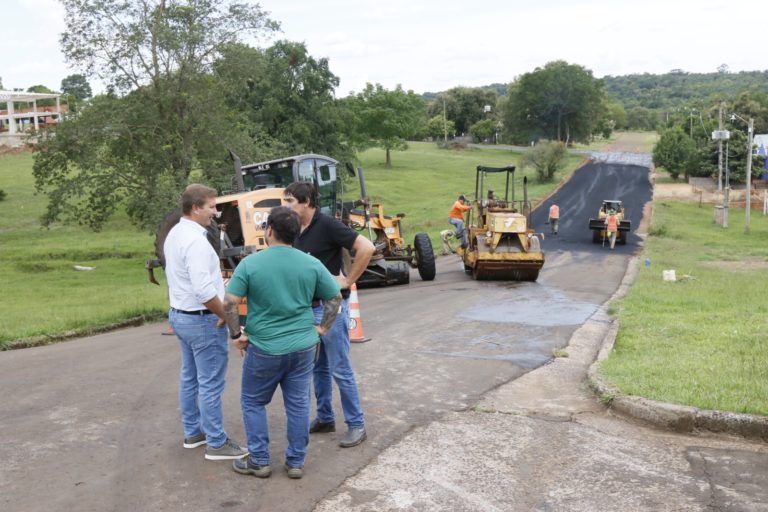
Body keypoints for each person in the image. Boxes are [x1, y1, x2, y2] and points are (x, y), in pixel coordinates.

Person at [224, 206, 342, 479]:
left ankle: (260, 461)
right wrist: (322, 329)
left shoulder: (250, 264)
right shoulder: (311, 263)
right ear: (296, 232)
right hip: (303, 346)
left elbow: (229, 303)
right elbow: (334, 299)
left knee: (253, 402)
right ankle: (296, 462)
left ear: (269, 231)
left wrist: (236, 335)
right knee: (299, 404)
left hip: (264, 347)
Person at [283, 182, 375, 448]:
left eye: (290, 201)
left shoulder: (327, 225)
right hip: (306, 309)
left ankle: (357, 424)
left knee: (339, 367)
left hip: (329, 308)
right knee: (318, 368)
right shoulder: (294, 230)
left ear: (307, 201)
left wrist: (347, 281)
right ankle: (325, 417)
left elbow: (366, 248)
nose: (285, 206)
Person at [163, 184, 248, 461]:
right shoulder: (196, 242)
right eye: (211, 206)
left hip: (180, 316)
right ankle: (216, 442)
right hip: (202, 321)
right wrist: (228, 318)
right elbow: (204, 292)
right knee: (210, 383)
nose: (216, 211)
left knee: (190, 378)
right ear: (195, 207)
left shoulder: (175, 233)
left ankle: (194, 433)